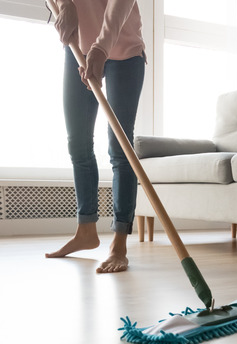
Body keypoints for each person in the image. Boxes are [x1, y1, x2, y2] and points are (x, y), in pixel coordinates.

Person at [45, 0, 146, 274]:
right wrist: (65, 4)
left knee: (120, 146)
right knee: (77, 141)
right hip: (79, 47)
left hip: (124, 50)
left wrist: (101, 48)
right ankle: (86, 230)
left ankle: (119, 243)